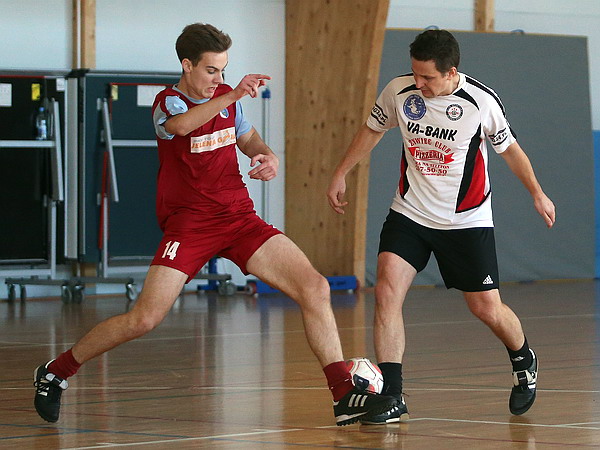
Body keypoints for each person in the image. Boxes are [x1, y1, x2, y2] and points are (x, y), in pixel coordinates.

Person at [33, 23, 398, 426]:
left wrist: (267, 155)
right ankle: (55, 371)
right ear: (187, 65)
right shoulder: (168, 104)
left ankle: (343, 396)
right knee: (145, 319)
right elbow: (182, 126)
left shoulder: (227, 100)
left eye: (223, 71)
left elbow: (248, 137)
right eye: (210, 70)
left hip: (239, 219)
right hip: (190, 227)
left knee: (315, 287)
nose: (217, 79)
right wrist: (233, 93)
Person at [327, 29, 555, 425]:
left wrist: (537, 193)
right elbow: (372, 129)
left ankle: (523, 358)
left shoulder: (481, 102)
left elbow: (511, 151)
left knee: (485, 308)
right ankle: (393, 396)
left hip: (466, 220)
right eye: (415, 73)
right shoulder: (398, 91)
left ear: (451, 72)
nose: (418, 83)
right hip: (410, 213)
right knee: (386, 292)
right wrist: (340, 172)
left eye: (427, 77)